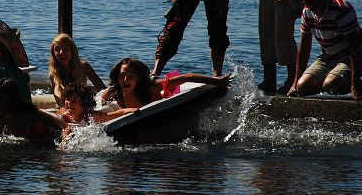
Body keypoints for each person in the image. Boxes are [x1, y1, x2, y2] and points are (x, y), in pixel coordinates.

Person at [287, 0, 362, 100]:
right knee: (302, 87)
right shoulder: (307, 11)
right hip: (329, 56)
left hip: (358, 55)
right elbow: (304, 48)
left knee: (331, 84)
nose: (308, 4)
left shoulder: (341, 9)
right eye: (305, 0)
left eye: (312, 0)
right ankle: (333, 79)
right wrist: (295, 83)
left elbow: (354, 47)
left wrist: (354, 84)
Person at [101, 57, 232, 110]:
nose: (125, 80)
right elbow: (106, 93)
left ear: (139, 78)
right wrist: (104, 96)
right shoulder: (117, 90)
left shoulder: (152, 88)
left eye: (130, 76)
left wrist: (217, 81)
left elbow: (187, 77)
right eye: (122, 76)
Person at [0, 78, 69, 145]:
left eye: (1, 98)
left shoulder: (31, 113)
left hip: (55, 134)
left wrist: (63, 145)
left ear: (11, 98)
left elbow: (65, 126)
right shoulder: (3, 115)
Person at [48, 33, 106, 106]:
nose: (61, 52)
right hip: (66, 107)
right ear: (53, 54)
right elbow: (58, 97)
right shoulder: (54, 73)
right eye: (57, 49)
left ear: (72, 50)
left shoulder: (83, 66)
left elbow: (102, 88)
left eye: (65, 49)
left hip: (83, 105)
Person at [57, 84, 139, 126]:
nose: (69, 103)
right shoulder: (63, 115)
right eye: (67, 99)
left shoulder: (91, 117)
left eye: (74, 100)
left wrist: (128, 110)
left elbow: (113, 115)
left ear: (84, 103)